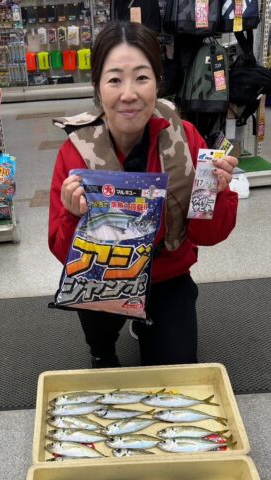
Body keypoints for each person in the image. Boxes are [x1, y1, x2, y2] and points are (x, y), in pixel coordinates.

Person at [49, 21, 238, 368]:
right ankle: (102, 348)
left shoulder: (185, 138)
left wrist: (218, 192)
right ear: (97, 87)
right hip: (104, 275)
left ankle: (148, 323)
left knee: (177, 370)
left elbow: (208, 235)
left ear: (158, 82)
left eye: (141, 77)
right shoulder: (76, 152)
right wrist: (73, 216)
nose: (128, 94)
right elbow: (64, 255)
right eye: (114, 80)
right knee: (99, 335)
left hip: (167, 274)